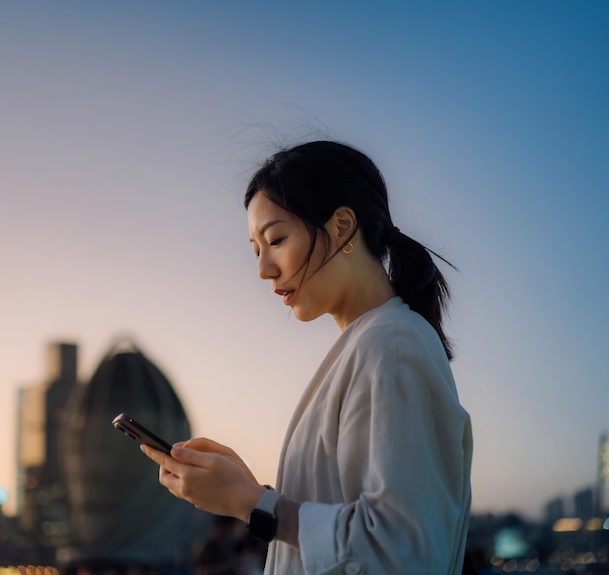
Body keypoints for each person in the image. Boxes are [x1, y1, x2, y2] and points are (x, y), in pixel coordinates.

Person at [142, 140, 473, 574]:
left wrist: (252, 503)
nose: (263, 269)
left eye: (276, 238)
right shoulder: (370, 345)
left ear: (341, 226)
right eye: (256, 249)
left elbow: (401, 548)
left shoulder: (391, 345)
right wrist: (247, 492)